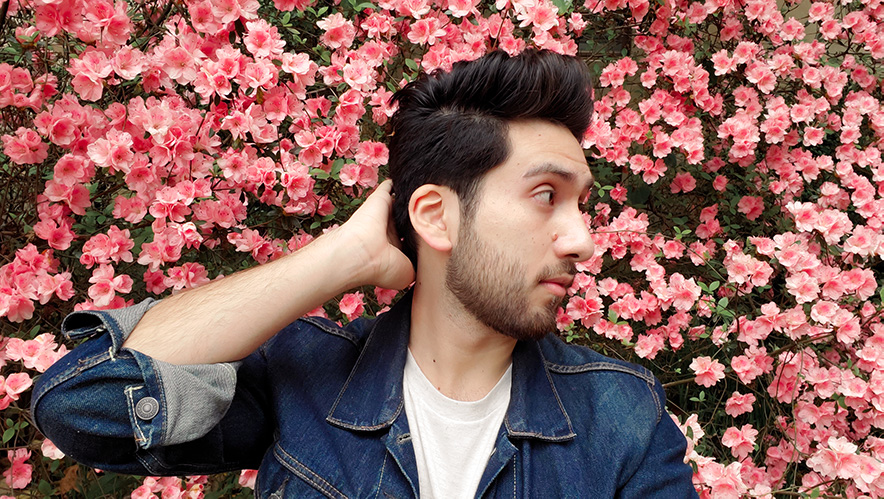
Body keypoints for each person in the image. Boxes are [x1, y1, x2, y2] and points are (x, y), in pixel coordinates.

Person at [32, 49, 698, 498]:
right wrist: (340, 258)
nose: (582, 238)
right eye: (546, 195)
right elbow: (81, 403)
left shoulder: (622, 416)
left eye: (583, 203)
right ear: (435, 215)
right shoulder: (301, 380)